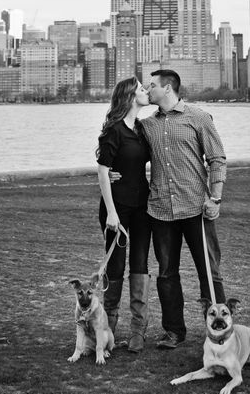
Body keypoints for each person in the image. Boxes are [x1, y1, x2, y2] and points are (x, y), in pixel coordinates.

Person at [140, 69, 226, 349]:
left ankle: (220, 331)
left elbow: (217, 159)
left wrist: (215, 199)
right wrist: (112, 172)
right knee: (166, 273)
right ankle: (174, 332)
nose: (147, 89)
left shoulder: (198, 117)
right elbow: (128, 154)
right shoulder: (147, 126)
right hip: (161, 211)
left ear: (167, 88)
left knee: (209, 273)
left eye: (151, 85)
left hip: (196, 209)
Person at [95, 77, 153, 353]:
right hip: (116, 210)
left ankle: (138, 333)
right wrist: (111, 214)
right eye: (142, 89)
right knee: (115, 268)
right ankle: (107, 331)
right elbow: (103, 171)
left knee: (140, 266)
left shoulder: (142, 129)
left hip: (143, 208)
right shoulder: (113, 131)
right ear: (130, 96)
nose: (146, 92)